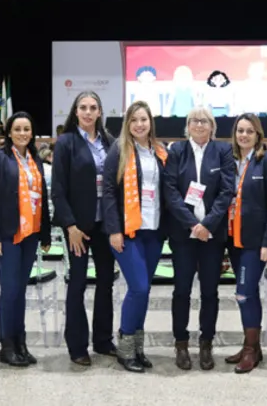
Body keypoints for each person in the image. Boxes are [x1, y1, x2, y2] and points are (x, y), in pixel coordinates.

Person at [162, 105, 236, 370]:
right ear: (187, 125)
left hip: (211, 237)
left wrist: (207, 225)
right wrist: (193, 225)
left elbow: (227, 191)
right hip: (184, 234)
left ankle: (206, 343)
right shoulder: (177, 151)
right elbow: (169, 190)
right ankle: (181, 343)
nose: (199, 125)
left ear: (212, 126)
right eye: (194, 120)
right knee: (181, 290)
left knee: (210, 292)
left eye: (204, 121)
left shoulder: (223, 151)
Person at [101, 101, 170, 373]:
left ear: (150, 122)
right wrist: (114, 230)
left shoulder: (160, 152)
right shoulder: (118, 151)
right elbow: (108, 191)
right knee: (138, 287)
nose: (140, 124)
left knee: (144, 291)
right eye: (134, 120)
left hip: (154, 231)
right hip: (127, 232)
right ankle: (125, 347)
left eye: (144, 119)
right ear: (127, 124)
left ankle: (137, 347)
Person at [50, 91, 118, 366]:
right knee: (77, 284)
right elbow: (58, 190)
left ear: (100, 112)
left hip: (106, 225)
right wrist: (70, 226)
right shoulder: (66, 143)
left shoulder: (111, 143)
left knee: (106, 283)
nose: (88, 112)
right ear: (75, 112)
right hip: (79, 227)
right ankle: (77, 346)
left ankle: (103, 340)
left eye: (93, 108)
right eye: (83, 107)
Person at [0, 111, 51, 368]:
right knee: (10, 290)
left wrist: (44, 232)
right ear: (9, 132)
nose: (22, 133)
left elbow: (42, 196)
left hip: (30, 234)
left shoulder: (35, 160)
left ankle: (20, 343)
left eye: (26, 129)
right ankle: (6, 344)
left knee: (20, 291)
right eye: (17, 129)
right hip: (7, 235)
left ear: (32, 133)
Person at [222, 113, 267, 374]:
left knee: (244, 293)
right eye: (240, 131)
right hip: (233, 239)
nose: (243, 135)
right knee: (248, 293)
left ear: (258, 134)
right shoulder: (230, 161)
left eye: (249, 131)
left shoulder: (266, 161)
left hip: (255, 242)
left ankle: (250, 351)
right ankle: (252, 346)